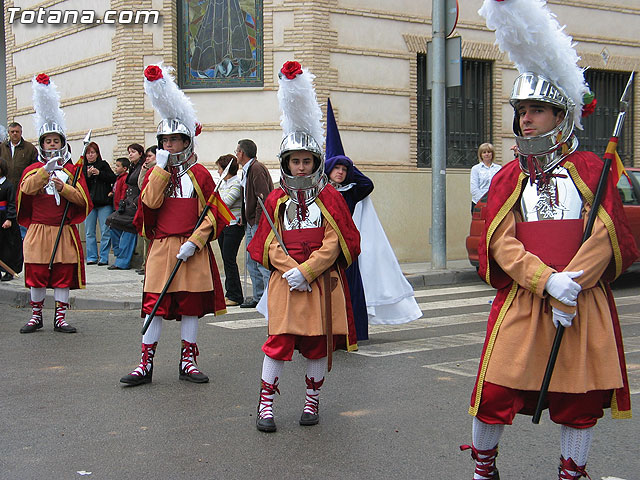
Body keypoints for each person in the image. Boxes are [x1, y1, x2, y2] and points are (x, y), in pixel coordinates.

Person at [464, 2, 639, 479]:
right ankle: (483, 468)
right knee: (495, 391)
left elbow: (606, 233)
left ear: (560, 114)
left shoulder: (590, 169)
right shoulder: (506, 176)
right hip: (526, 298)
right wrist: (547, 281)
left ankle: (571, 472)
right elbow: (500, 241)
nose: (525, 120)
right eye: (521, 111)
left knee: (579, 398)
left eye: (536, 110)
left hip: (582, 302)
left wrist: (573, 284)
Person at [248, 61, 360, 433]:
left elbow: (338, 241)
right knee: (277, 343)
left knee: (316, 345)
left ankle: (312, 402)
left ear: (315, 163)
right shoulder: (278, 199)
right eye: (294, 161)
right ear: (286, 163)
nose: (300, 167)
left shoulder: (330, 197)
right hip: (286, 283)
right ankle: (266, 405)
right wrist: (288, 269)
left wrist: (308, 270)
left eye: (306, 161)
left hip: (320, 284)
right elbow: (266, 241)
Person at [120, 64, 229, 386]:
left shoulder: (202, 175)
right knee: (154, 305)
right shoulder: (153, 173)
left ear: (187, 142)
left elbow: (214, 212)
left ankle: (188, 362)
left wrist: (196, 241)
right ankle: (145, 365)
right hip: (162, 247)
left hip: (190, 248)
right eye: (165, 141)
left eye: (176, 141)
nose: (170, 146)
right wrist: (162, 171)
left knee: (190, 308)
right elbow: (150, 204)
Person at [324, 99, 421, 340]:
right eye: (337, 168)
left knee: (352, 290)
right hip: (325, 248)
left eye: (344, 170)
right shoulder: (321, 192)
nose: (341, 172)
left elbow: (368, 184)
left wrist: (349, 165)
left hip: (347, 249)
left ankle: (355, 331)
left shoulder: (352, 191)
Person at [17, 73, 92, 334]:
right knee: (37, 272)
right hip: (39, 229)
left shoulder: (71, 170)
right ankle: (36, 315)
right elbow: (26, 190)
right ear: (42, 144)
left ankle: (60, 317)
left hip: (63, 231)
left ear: (62, 143)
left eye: (56, 141)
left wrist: (65, 187)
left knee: (61, 273)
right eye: (48, 141)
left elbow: (83, 199)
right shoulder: (33, 169)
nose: (52, 144)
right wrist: (43, 174)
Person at [236, 138, 273, 308]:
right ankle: (259, 296)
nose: (236, 154)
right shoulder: (248, 169)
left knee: (260, 260)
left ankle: (268, 296)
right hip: (250, 221)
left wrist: (257, 222)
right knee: (252, 260)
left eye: (237, 151)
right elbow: (247, 197)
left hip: (257, 222)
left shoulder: (256, 168)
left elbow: (262, 197)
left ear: (242, 153)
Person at [105, 143, 144, 270]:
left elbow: (143, 185)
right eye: (129, 152)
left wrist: (136, 201)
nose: (130, 154)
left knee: (128, 228)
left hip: (136, 203)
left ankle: (123, 261)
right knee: (112, 222)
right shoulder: (133, 167)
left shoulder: (143, 167)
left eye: (133, 152)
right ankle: (119, 254)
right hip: (128, 202)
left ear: (140, 153)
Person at [1, 122, 38, 239]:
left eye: (17, 131)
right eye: (12, 132)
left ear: (21, 132)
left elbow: (35, 169)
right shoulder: (2, 148)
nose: (15, 134)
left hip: (23, 192)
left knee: (23, 224)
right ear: (9, 133)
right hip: (4, 193)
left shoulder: (30, 148)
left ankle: (24, 251)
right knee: (6, 224)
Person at [215, 154, 244, 306]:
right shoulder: (223, 184)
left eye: (219, 169)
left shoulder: (236, 183)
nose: (218, 172)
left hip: (234, 226)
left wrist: (216, 199)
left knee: (229, 259)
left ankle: (235, 295)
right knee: (226, 261)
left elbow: (224, 203)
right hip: (223, 226)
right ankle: (230, 292)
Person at [83, 141, 116, 266]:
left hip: (104, 203)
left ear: (97, 154)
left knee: (105, 230)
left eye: (93, 153)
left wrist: (99, 173)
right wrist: (88, 175)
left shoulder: (103, 165)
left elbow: (113, 178)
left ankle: (103, 257)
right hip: (90, 204)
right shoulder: (83, 167)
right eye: (88, 153)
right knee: (89, 231)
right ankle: (91, 256)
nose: (90, 155)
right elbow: (81, 184)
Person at [0, 158, 23, 281]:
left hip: (5, 220)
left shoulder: (8, 186)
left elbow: (11, 203)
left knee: (8, 247)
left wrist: (9, 218)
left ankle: (10, 271)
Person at [136, 146, 157, 275]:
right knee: (145, 238)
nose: (147, 159)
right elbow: (141, 185)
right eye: (146, 156)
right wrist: (143, 171)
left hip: (154, 209)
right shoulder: (148, 168)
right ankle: (145, 263)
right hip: (144, 207)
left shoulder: (159, 168)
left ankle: (149, 264)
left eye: (150, 156)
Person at [469, 142, 500, 212]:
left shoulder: (498, 168)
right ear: (481, 155)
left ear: (492, 154)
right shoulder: (476, 169)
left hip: (495, 203)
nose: (486, 154)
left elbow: (500, 185)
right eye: (484, 152)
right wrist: (484, 201)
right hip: (479, 203)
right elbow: (474, 188)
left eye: (489, 152)